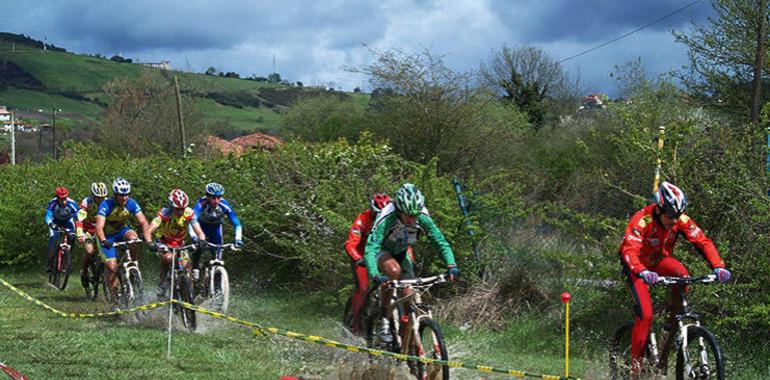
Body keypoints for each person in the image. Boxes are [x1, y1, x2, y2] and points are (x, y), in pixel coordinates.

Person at [619, 181, 731, 373]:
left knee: (683, 276)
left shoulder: (680, 220)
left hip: (658, 262)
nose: (674, 220)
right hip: (636, 266)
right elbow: (629, 250)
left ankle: (671, 327)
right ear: (660, 209)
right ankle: (635, 373)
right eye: (670, 215)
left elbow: (703, 242)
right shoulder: (642, 219)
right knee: (645, 316)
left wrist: (718, 266)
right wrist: (641, 271)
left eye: (677, 215)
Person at [364, 183, 460, 342]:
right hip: (382, 251)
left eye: (415, 215)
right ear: (399, 210)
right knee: (393, 271)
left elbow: (440, 242)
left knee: (410, 302)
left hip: (402, 252)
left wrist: (452, 265)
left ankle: (407, 348)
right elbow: (371, 247)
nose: (412, 219)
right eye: (408, 215)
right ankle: (384, 318)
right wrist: (374, 274)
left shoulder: (422, 217)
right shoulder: (387, 217)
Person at [344, 193, 414, 335]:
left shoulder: (393, 219)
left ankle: (393, 320)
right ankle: (355, 326)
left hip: (382, 255)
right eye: (376, 215)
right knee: (363, 288)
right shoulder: (362, 219)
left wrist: (411, 260)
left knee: (401, 282)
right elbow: (350, 244)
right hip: (362, 256)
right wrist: (358, 258)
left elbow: (404, 244)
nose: (379, 218)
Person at [94, 178, 150, 306]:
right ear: (115, 195)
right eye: (121, 195)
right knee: (112, 267)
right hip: (106, 237)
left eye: (127, 194)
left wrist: (148, 238)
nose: (124, 198)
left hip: (121, 232)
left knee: (133, 238)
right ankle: (114, 302)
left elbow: (143, 221)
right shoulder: (106, 205)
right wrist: (103, 240)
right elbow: (99, 227)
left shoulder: (131, 203)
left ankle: (133, 264)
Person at [144, 189, 206, 299]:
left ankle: (187, 295)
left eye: (182, 208)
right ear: (171, 206)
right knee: (168, 258)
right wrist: (149, 243)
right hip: (164, 242)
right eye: (177, 209)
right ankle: (162, 284)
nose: (180, 211)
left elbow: (199, 231)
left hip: (180, 244)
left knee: (186, 267)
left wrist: (201, 240)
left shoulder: (189, 213)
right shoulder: (164, 214)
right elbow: (149, 231)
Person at [192, 182, 242, 281]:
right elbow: (191, 222)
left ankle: (218, 285)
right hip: (201, 229)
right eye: (213, 197)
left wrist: (238, 239)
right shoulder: (200, 204)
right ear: (207, 196)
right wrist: (194, 237)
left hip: (215, 230)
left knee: (218, 257)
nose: (216, 201)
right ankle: (195, 270)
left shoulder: (224, 205)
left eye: (219, 197)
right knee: (199, 248)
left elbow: (237, 224)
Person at [76, 182, 109, 291]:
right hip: (87, 229)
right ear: (93, 195)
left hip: (101, 230)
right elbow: (79, 218)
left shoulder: (108, 203)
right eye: (98, 197)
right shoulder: (87, 202)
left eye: (102, 197)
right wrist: (80, 233)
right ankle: (84, 272)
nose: (100, 200)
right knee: (90, 251)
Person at [44, 187, 79, 273]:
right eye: (61, 199)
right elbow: (48, 215)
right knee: (53, 237)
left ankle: (67, 258)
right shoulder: (53, 203)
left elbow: (79, 216)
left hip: (68, 221)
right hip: (55, 221)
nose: (64, 201)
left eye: (65, 199)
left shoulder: (72, 204)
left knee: (73, 236)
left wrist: (80, 227)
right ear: (57, 198)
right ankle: (50, 263)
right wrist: (51, 224)